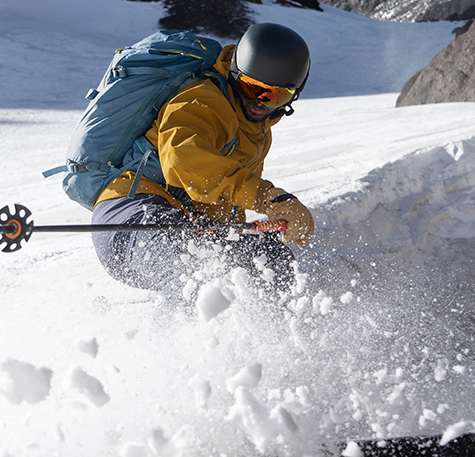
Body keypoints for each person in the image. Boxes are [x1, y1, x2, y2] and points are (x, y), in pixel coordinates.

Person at [90, 22, 315, 299]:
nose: (259, 102)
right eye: (251, 88)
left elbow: (226, 197)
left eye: (275, 95)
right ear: (236, 74)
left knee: (269, 260)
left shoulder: (257, 132)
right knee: (192, 271)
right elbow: (184, 159)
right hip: (131, 215)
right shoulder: (202, 100)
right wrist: (268, 198)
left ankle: (275, 325)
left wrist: (242, 237)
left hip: (188, 225)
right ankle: (179, 328)